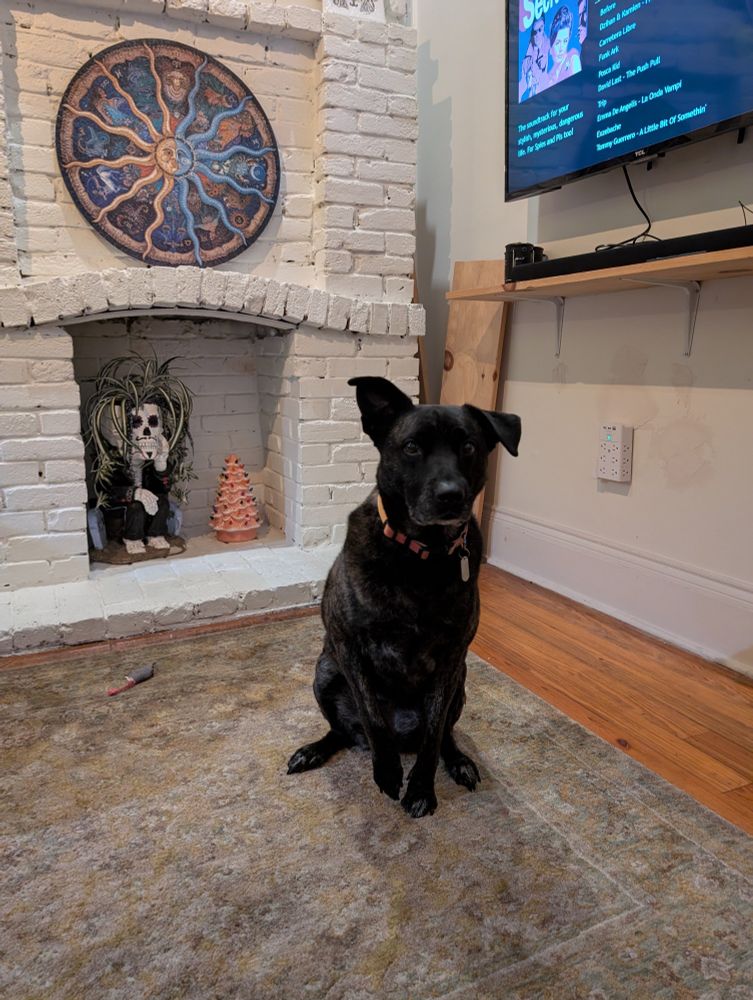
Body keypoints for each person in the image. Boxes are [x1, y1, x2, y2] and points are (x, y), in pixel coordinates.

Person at [547, 5, 582, 86]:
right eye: (558, 42)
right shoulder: (548, 78)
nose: (561, 48)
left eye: (565, 41)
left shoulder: (573, 59)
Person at [519, 17, 549, 102]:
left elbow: (543, 64)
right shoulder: (531, 44)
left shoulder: (547, 43)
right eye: (535, 32)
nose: (537, 35)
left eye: (540, 30)